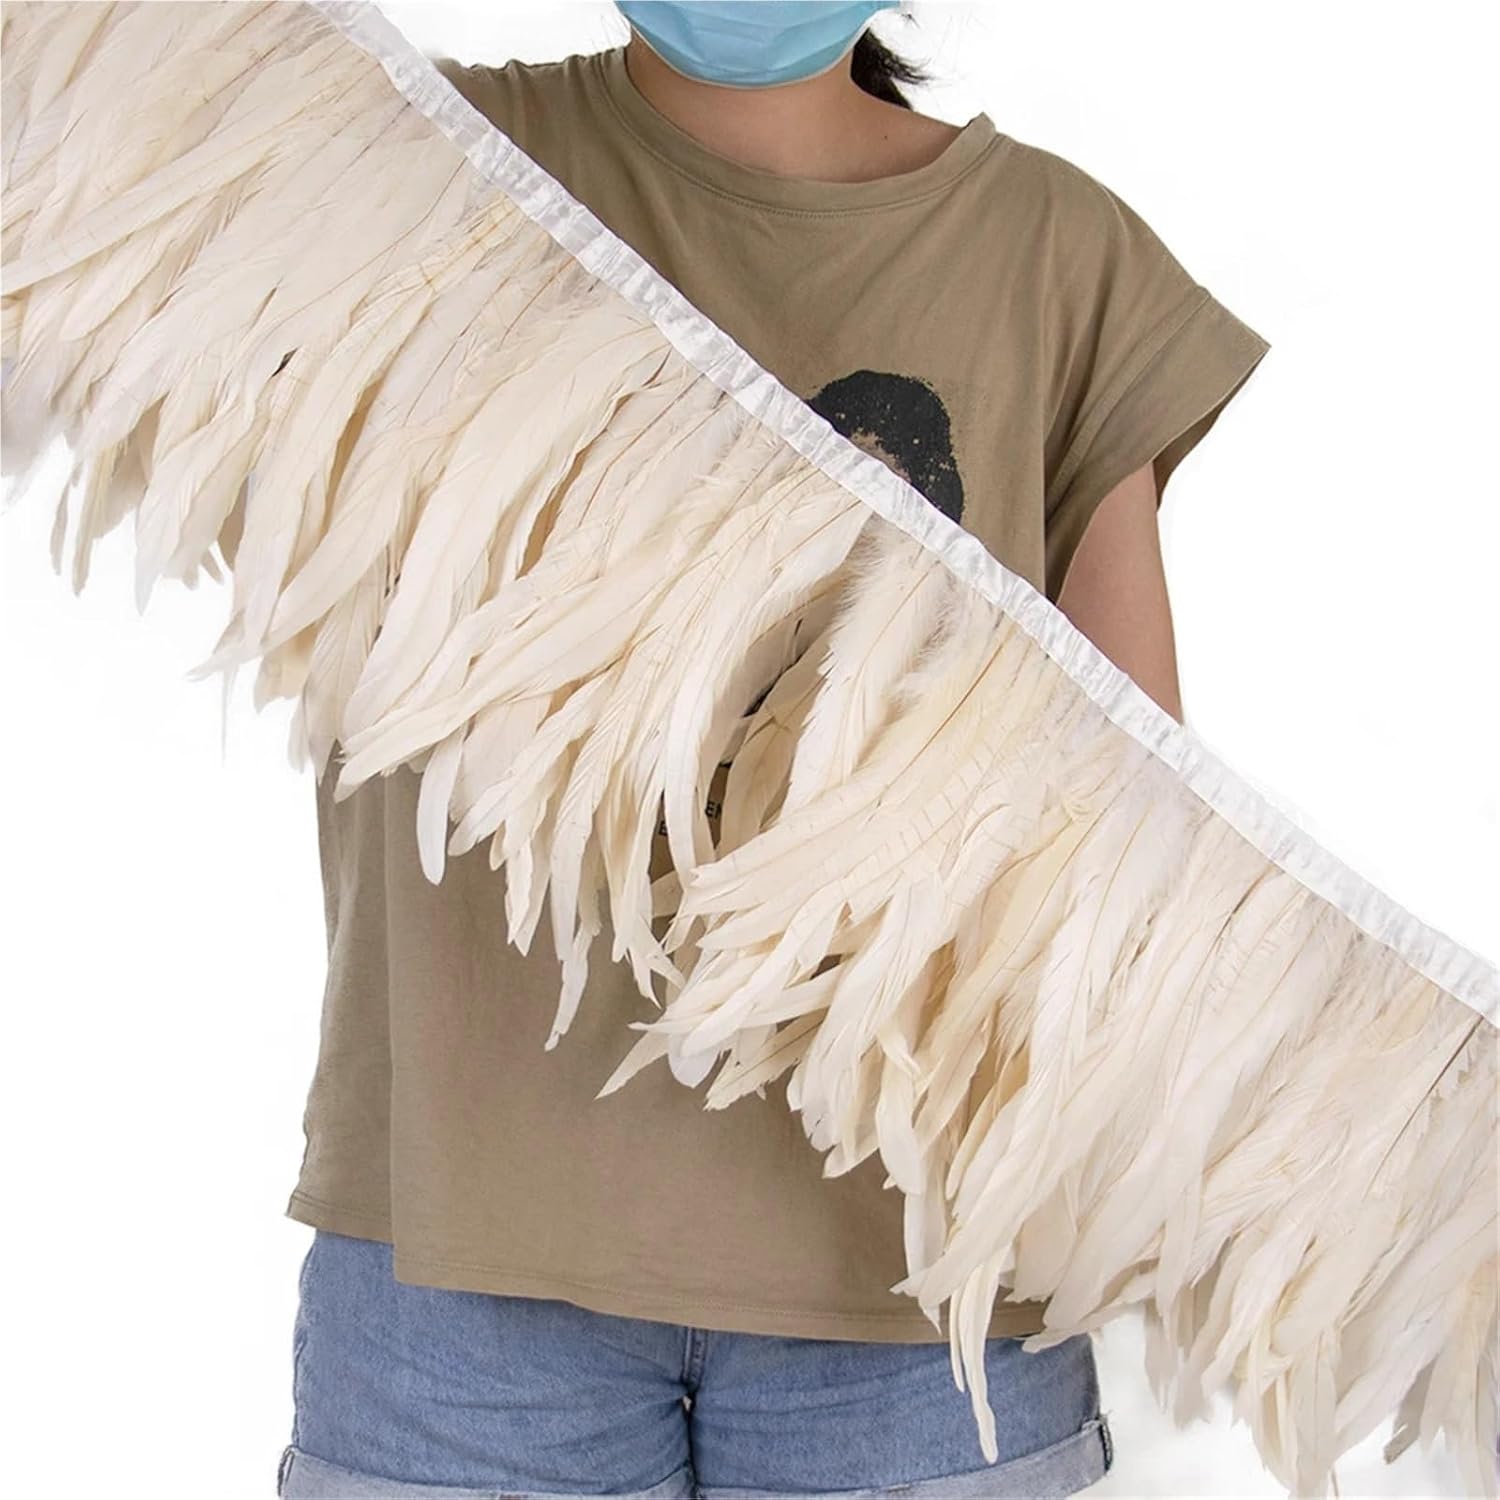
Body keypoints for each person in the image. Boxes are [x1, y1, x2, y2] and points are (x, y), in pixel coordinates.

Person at [277, 2, 1269, 1496]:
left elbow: (1133, 822)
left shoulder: (1056, 256)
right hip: (462, 1253)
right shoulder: (421, 157)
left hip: (921, 1292)